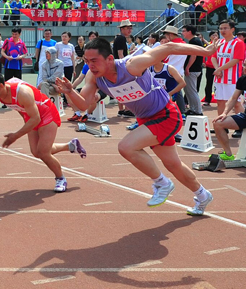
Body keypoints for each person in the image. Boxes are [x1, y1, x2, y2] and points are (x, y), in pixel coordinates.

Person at [55, 37, 219, 215]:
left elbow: (170, 47)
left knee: (126, 147)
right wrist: (71, 92)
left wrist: (206, 52)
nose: (91, 65)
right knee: (173, 165)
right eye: (87, 61)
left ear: (110, 59)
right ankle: (203, 195)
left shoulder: (131, 65)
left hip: (166, 115)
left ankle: (162, 183)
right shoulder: (94, 78)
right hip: (146, 119)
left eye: (94, 61)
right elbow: (84, 105)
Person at [0, 70, 86, 192]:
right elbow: (20, 108)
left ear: (0, 85)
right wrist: (26, 123)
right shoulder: (0, 95)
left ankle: (60, 178)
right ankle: (71, 146)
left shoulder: (22, 93)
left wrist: (15, 136)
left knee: (43, 152)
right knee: (36, 152)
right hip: (31, 116)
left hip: (47, 114)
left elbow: (36, 118)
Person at [212, 19, 246, 138]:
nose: (222, 30)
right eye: (221, 28)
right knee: (220, 101)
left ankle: (242, 126)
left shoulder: (238, 43)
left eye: (225, 28)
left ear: (232, 29)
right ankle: (222, 125)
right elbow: (213, 57)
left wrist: (220, 69)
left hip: (233, 78)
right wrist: (217, 69)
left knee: (235, 103)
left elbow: (236, 59)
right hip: (219, 78)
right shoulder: (219, 42)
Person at [181, 24, 204, 116]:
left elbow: (193, 56)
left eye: (184, 31)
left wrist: (187, 68)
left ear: (189, 32)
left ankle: (198, 111)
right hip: (193, 69)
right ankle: (193, 109)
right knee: (189, 90)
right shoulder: (194, 40)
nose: (182, 33)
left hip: (193, 69)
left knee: (192, 91)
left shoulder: (194, 41)